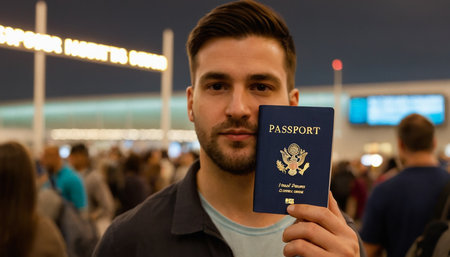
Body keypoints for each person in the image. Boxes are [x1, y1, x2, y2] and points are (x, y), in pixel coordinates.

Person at [94, 1, 363, 257]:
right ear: (190, 104)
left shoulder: (337, 243)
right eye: (217, 86)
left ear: (292, 106)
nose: (238, 108)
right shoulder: (129, 241)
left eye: (260, 86)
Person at [360, 113, 450, 257]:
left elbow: (369, 250)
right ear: (434, 142)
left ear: (401, 144)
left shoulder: (383, 190)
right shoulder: (447, 182)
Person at [0, 141, 67, 257]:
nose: (43, 160)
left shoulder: (70, 179)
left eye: (46, 156)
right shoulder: (44, 233)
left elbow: (82, 208)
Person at [68, 143, 115, 236]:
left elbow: (108, 206)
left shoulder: (94, 178)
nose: (71, 159)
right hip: (75, 229)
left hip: (91, 230)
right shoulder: (70, 177)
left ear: (83, 157)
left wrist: (90, 217)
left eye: (75, 156)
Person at [40, 145, 88, 212]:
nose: (43, 162)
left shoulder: (72, 178)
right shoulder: (50, 177)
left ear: (55, 157)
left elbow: (81, 209)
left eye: (45, 157)